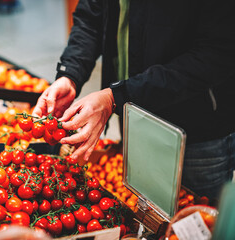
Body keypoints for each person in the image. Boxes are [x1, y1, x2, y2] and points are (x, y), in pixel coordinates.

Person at [32, 0, 235, 201]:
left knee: (194, 221)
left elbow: (216, 54)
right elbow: (91, 17)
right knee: (144, 215)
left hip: (197, 133)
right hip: (134, 120)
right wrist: (70, 74)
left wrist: (118, 96)